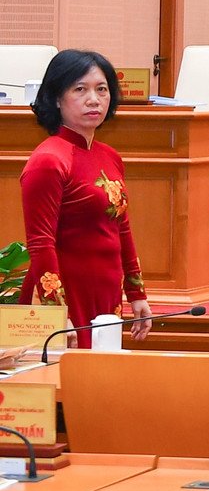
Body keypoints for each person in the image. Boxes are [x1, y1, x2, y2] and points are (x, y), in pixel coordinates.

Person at [17, 49, 150, 344]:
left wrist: (136, 293)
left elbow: (122, 228)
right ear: (56, 98)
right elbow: (40, 244)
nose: (94, 99)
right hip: (66, 293)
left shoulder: (110, 156)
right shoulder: (48, 160)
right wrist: (56, 314)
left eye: (101, 89)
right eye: (80, 89)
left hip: (105, 290)